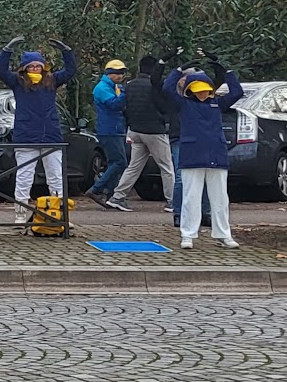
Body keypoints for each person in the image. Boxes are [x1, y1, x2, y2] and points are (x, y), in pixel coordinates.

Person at [0, 37, 78, 223]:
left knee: (56, 178)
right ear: (24, 69)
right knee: (24, 178)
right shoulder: (17, 82)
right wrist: (7, 49)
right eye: (31, 66)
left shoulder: (52, 81)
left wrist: (66, 51)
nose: (34, 69)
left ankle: (60, 215)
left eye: (38, 66)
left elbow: (70, 70)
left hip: (51, 136)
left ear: (43, 67)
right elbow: (1, 71)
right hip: (26, 137)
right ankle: (20, 214)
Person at [162, 59, 243, 249]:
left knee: (220, 199)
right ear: (190, 90)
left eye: (205, 90)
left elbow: (237, 92)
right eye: (198, 90)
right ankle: (188, 235)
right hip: (192, 156)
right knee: (191, 198)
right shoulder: (183, 104)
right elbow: (167, 88)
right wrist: (179, 69)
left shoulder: (217, 104)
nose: (202, 93)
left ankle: (224, 235)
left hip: (216, 155)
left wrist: (227, 71)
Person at [110, 55, 174, 212]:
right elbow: (163, 105)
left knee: (134, 166)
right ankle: (173, 201)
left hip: (136, 130)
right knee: (166, 167)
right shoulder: (156, 85)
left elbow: (125, 107)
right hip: (154, 131)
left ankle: (117, 197)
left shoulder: (130, 85)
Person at [85, 59, 132, 211]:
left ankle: (110, 195)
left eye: (122, 73)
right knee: (120, 162)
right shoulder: (102, 88)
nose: (120, 76)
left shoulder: (115, 87)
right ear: (109, 74)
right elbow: (114, 104)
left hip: (116, 129)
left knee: (114, 163)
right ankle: (96, 189)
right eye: (117, 73)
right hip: (109, 130)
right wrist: (126, 93)